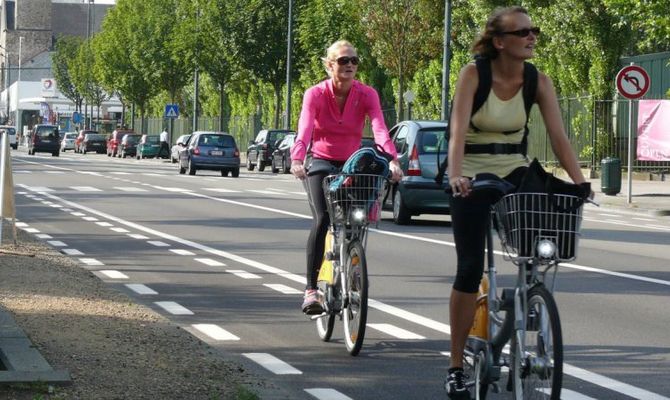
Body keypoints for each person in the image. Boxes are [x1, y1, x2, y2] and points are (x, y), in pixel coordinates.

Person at [445, 6, 592, 399]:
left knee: (541, 244)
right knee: (470, 266)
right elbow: (457, 132)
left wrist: (580, 183)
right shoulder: (473, 74)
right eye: (522, 32)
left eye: (534, 31)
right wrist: (456, 174)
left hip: (515, 167)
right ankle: (456, 366)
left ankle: (531, 296)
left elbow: (559, 139)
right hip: (472, 172)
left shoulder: (537, 80)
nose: (531, 37)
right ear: (499, 42)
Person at [290, 40, 403, 315]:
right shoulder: (315, 94)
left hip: (352, 164)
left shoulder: (367, 94)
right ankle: (311, 290)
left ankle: (351, 260)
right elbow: (304, 129)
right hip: (321, 162)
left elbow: (379, 129)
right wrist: (297, 158)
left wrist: (392, 161)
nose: (350, 65)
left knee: (356, 220)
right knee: (323, 219)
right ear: (330, 66)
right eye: (343, 61)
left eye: (354, 60)